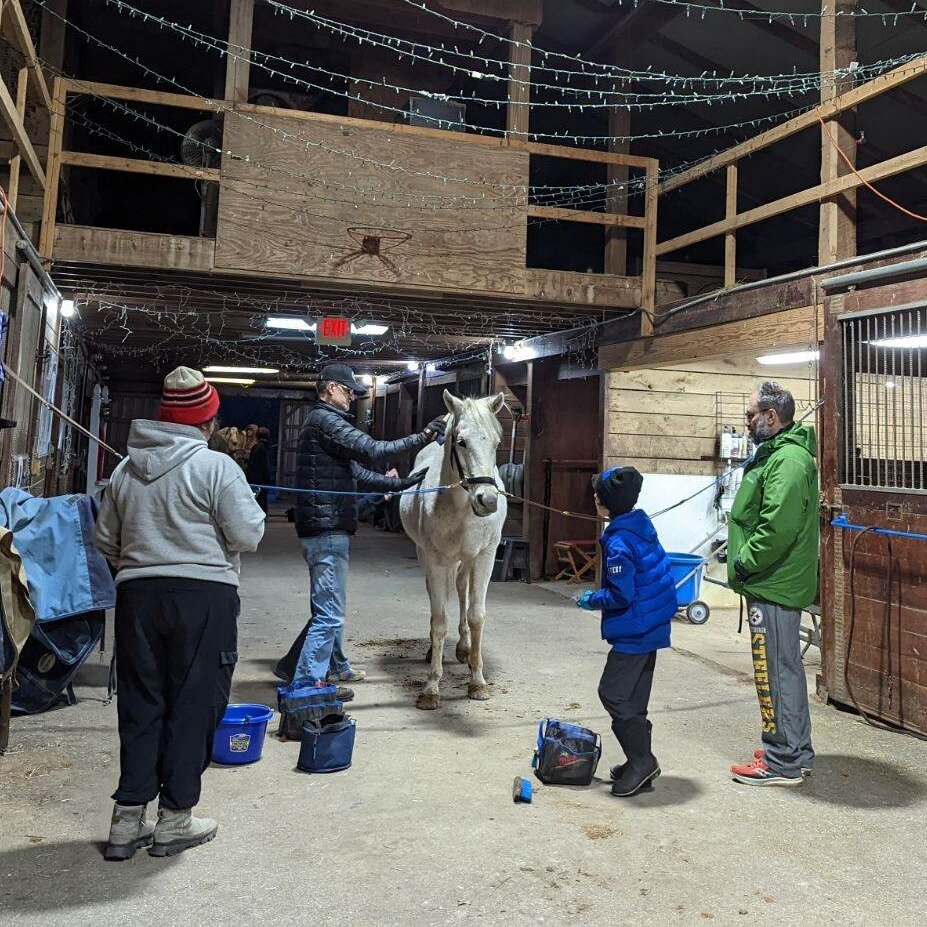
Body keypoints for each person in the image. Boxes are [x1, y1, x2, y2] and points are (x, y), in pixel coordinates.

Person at [95, 366, 265, 860]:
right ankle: (174, 820)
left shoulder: (125, 471)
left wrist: (148, 552)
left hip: (138, 597)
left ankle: (127, 821)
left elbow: (105, 539)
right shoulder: (216, 468)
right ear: (206, 422)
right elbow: (248, 535)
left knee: (142, 701)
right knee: (194, 703)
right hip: (203, 598)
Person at [278, 363, 446, 696]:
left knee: (331, 605)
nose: (354, 397)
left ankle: (337, 667)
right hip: (326, 529)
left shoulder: (325, 425)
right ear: (330, 389)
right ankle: (307, 684)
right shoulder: (326, 421)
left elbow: (357, 471)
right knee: (329, 614)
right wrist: (423, 436)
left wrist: (398, 485)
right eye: (349, 391)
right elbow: (374, 450)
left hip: (325, 525)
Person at [728, 381, 818, 787]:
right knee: (786, 668)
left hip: (772, 582)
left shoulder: (788, 462)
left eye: (751, 415)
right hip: (773, 581)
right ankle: (795, 751)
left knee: (773, 673)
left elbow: (776, 527)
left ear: (771, 416)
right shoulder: (779, 455)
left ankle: (781, 763)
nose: (746, 422)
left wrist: (745, 562)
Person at [576, 466, 677, 798]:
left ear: (603, 503)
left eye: (597, 495)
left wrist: (591, 600)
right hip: (652, 625)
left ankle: (641, 759)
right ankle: (640, 762)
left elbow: (622, 595)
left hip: (636, 628)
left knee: (613, 694)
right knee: (635, 698)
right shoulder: (639, 524)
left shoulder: (618, 542)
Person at [247, 426, 273, 513]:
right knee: (263, 500)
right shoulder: (268, 447)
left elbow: (253, 465)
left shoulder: (257, 448)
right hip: (265, 478)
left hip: (256, 480)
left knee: (257, 500)